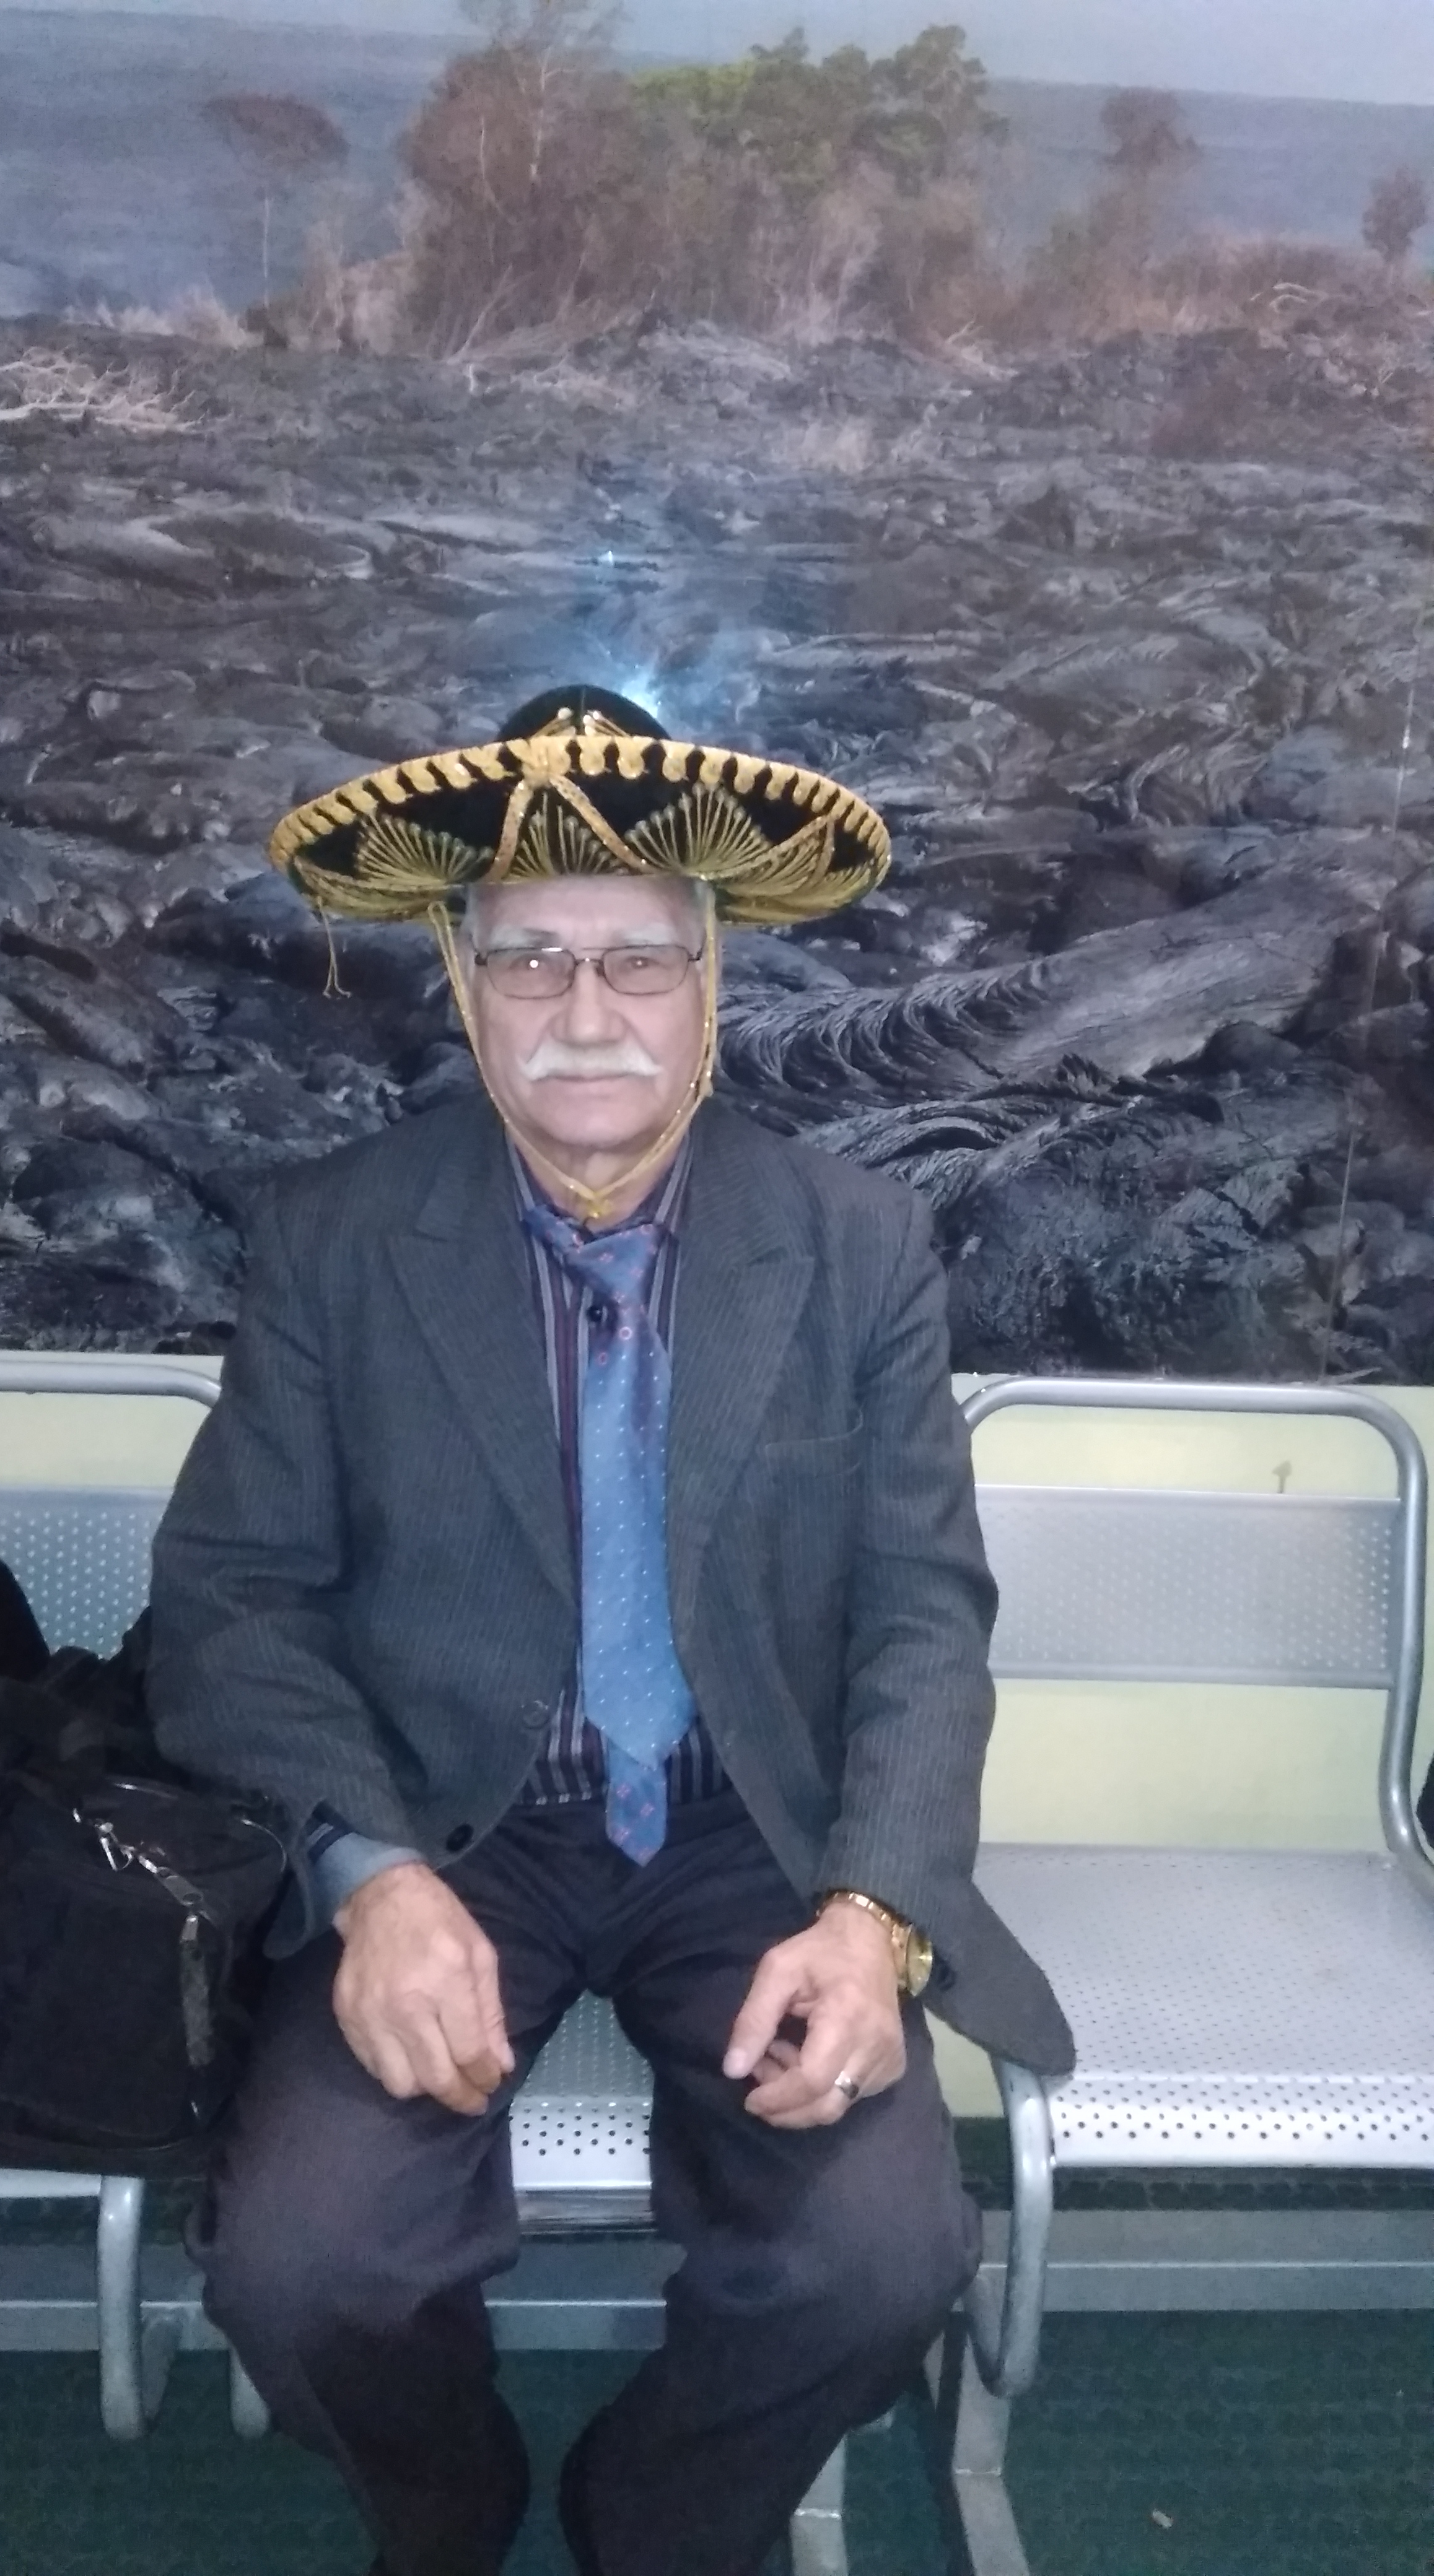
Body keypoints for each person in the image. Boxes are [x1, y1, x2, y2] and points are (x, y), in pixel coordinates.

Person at [147, 685, 1072, 2576]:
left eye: (639, 960)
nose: (586, 1010)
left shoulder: (854, 1244)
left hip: (753, 1831)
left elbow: (919, 1611)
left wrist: (872, 1911)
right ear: (463, 982)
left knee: (877, 2258)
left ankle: (655, 2522)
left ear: (711, 980)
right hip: (445, 1827)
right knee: (301, 2269)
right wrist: (366, 1876)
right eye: (532, 961)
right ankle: (449, 2507)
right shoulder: (336, 1238)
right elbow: (233, 1595)